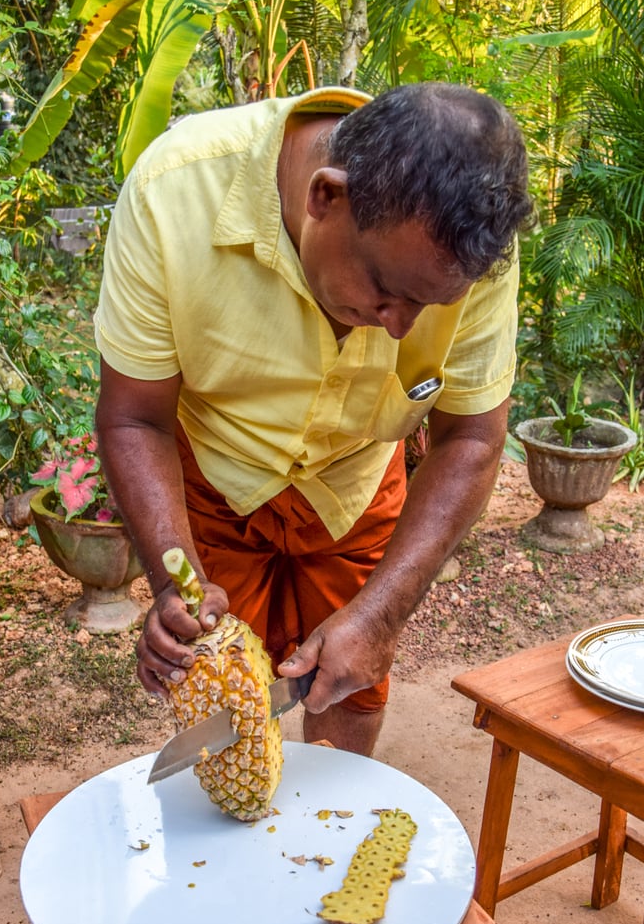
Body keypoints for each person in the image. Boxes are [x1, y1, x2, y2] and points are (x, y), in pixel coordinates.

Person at [94, 82, 533, 756]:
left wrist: (379, 618)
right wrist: (169, 579)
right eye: (386, 292)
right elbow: (134, 420)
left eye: (429, 307)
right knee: (220, 706)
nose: (401, 329)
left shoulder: (463, 246)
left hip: (358, 481)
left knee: (350, 687)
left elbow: (471, 437)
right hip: (216, 478)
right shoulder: (174, 191)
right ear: (325, 197)